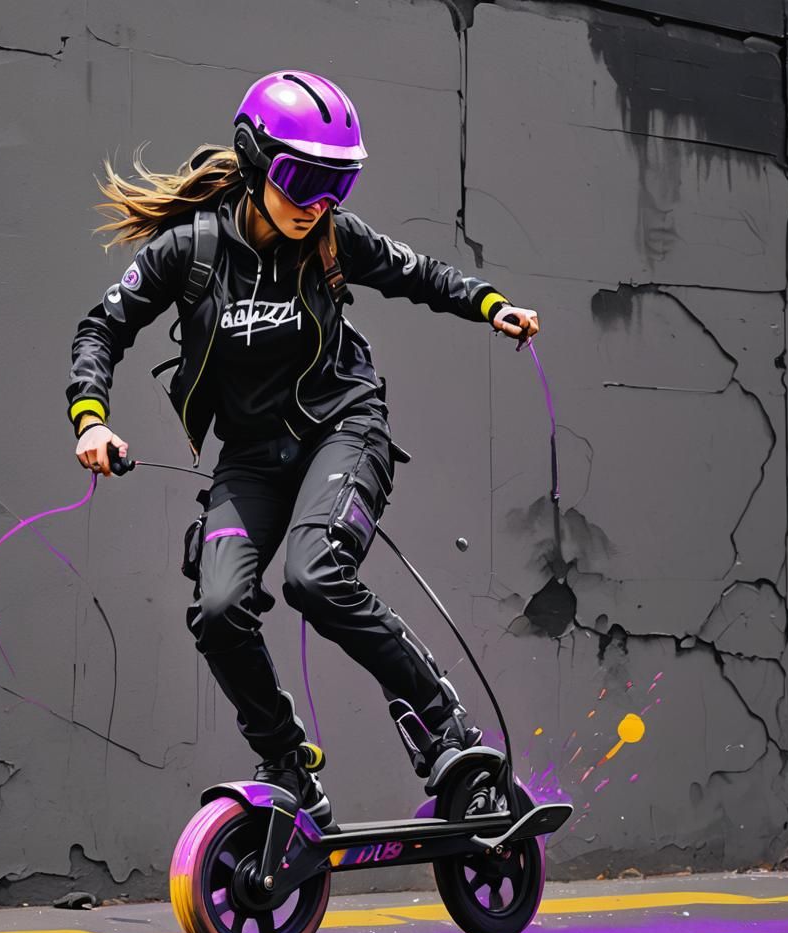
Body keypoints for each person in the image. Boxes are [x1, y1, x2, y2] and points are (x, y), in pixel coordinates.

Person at [67, 71, 540, 830]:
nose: (318, 203)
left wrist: (493, 305)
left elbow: (420, 274)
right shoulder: (188, 253)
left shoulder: (330, 238)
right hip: (252, 455)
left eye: (337, 184)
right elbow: (102, 328)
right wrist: (91, 418)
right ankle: (287, 763)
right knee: (219, 608)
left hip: (343, 428)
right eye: (301, 181)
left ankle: (444, 728)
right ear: (256, 163)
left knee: (316, 577)